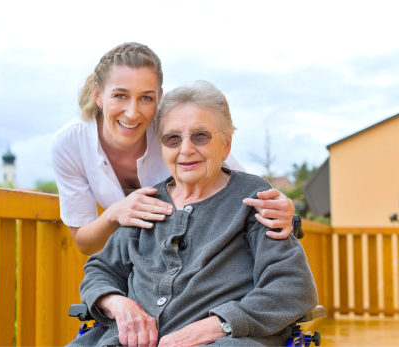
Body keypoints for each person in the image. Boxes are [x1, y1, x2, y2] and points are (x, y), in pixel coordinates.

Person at [67, 81, 317, 347]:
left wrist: (220, 324)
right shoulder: (146, 202)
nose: (185, 149)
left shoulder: (253, 199)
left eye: (200, 136)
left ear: (226, 145)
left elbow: (292, 287)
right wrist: (116, 303)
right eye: (173, 138)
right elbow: (100, 270)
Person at [51, 42, 295, 256]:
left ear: (159, 96)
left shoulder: (174, 128)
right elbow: (85, 243)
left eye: (146, 98)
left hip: (195, 259)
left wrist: (284, 210)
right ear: (98, 95)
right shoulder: (70, 144)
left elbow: (237, 182)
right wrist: (114, 213)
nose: (132, 112)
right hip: (142, 266)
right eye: (120, 96)